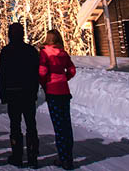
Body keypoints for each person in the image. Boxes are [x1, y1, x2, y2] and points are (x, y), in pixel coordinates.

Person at [0, 23, 40, 168]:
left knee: (15, 126)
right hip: (28, 93)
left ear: (10, 34)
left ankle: (17, 156)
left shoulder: (6, 51)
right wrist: (35, 92)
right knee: (31, 125)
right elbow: (36, 74)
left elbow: (1, 75)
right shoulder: (31, 51)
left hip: (12, 93)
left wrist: (3, 94)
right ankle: (33, 157)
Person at [39, 29, 76, 170]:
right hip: (64, 92)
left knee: (58, 125)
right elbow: (72, 70)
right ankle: (68, 156)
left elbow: (42, 72)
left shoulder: (44, 53)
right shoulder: (63, 53)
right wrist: (63, 79)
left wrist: (44, 83)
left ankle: (63, 158)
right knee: (66, 124)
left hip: (52, 91)